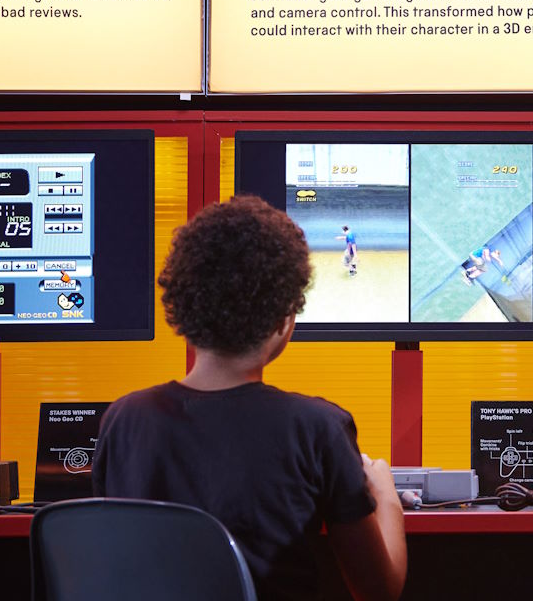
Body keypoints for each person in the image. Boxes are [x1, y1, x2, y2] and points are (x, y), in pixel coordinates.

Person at [93, 195, 406, 601]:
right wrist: (386, 497)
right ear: (284, 320)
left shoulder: (123, 419)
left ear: (183, 310)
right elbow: (378, 591)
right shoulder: (317, 427)